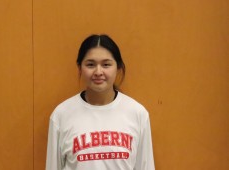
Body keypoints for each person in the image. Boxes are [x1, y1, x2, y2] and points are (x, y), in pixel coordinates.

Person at [46, 34, 155, 170]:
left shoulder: (137, 113)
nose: (98, 72)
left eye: (106, 64)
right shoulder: (61, 115)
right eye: (90, 64)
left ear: (118, 67)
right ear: (80, 68)